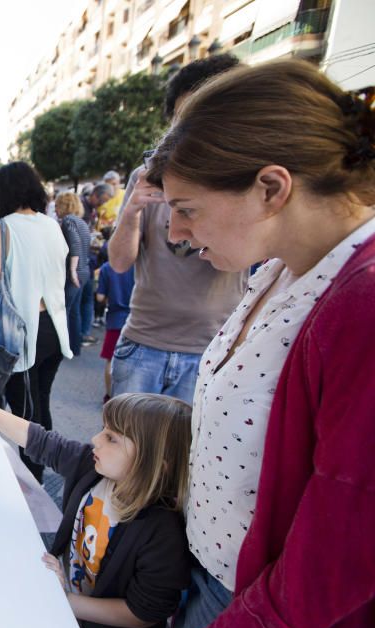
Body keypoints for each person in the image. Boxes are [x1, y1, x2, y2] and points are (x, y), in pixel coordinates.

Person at [144, 61, 375, 628]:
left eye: (188, 208)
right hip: (214, 581)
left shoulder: (363, 301)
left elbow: (341, 548)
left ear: (271, 188)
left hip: (256, 622)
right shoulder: (275, 267)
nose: (176, 231)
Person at [0, 392, 190, 628]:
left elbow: (140, 614)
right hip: (70, 605)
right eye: (103, 430)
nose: (96, 439)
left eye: (112, 438)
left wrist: (62, 599)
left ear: (153, 465)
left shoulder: (164, 535)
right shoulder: (92, 466)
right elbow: (38, 439)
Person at [106, 54, 246, 404]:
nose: (192, 134)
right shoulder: (147, 177)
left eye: (208, 118)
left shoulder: (246, 181)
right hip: (143, 344)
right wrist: (132, 212)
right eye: (184, 120)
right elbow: (120, 263)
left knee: (187, 458)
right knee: (124, 455)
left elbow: (234, 259)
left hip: (212, 348)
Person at [0, 162, 72, 482]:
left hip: (23, 334)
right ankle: (43, 469)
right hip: (54, 328)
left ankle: (34, 483)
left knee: (25, 415)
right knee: (40, 405)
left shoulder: (2, 227)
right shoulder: (51, 224)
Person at [55, 191, 91, 356]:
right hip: (85, 271)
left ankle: (63, 348)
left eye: (57, 205)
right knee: (74, 311)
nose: (55, 208)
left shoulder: (68, 221)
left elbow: (75, 245)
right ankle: (74, 347)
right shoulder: (82, 223)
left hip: (75, 273)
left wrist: (71, 270)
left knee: (65, 310)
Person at [96, 262, 135, 402]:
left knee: (110, 359)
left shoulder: (106, 268)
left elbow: (100, 297)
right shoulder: (139, 265)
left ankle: (110, 396)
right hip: (136, 319)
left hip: (115, 319)